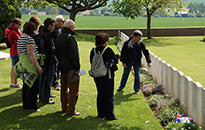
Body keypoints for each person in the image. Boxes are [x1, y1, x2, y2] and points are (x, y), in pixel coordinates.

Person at [90, 32, 119, 120]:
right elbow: (115, 61)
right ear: (105, 41)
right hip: (107, 75)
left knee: (100, 94)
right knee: (108, 95)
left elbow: (91, 62)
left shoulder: (93, 50)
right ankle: (109, 115)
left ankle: (101, 113)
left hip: (97, 75)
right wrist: (117, 57)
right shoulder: (108, 50)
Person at [15, 22, 43, 112]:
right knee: (33, 86)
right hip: (30, 65)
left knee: (26, 84)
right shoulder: (29, 39)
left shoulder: (20, 38)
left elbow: (19, 52)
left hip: (23, 63)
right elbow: (31, 55)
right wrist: (38, 67)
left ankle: (26, 105)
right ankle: (31, 107)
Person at [54, 19, 80, 115]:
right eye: (74, 27)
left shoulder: (58, 37)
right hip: (71, 67)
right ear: (70, 27)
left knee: (63, 89)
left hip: (62, 66)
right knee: (73, 90)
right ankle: (71, 109)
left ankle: (64, 107)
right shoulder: (70, 38)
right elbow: (74, 54)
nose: (74, 29)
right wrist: (77, 67)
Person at [117, 30, 151, 94]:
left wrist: (149, 61)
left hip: (136, 62)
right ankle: (121, 87)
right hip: (128, 61)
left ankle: (136, 90)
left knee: (137, 75)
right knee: (125, 74)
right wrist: (123, 62)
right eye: (139, 38)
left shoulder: (140, 43)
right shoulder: (127, 43)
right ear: (134, 37)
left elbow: (145, 52)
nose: (140, 39)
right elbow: (123, 53)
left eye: (140, 38)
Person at [38, 18, 56, 104]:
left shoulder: (41, 34)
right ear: (49, 26)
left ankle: (42, 97)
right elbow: (50, 49)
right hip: (48, 60)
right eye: (53, 25)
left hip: (42, 59)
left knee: (42, 80)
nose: (54, 27)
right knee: (47, 80)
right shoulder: (47, 35)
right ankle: (45, 98)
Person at [4, 18, 22, 88]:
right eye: (19, 24)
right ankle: (14, 83)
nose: (20, 26)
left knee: (14, 67)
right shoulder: (13, 32)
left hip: (13, 50)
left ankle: (14, 83)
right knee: (14, 67)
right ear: (14, 24)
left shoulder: (11, 29)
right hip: (15, 51)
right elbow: (19, 40)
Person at [52, 15, 65, 91]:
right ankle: (55, 83)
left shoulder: (60, 30)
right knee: (55, 68)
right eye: (62, 21)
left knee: (58, 68)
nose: (63, 23)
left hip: (59, 52)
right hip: (55, 52)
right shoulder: (53, 30)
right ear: (57, 21)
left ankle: (56, 82)